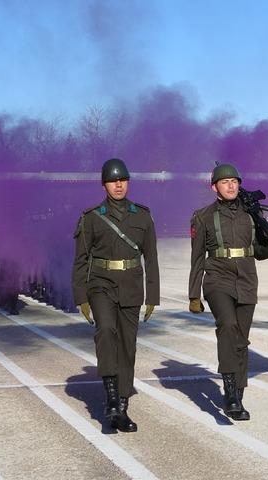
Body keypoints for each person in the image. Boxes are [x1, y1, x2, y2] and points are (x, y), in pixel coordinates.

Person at [188, 163, 268, 421]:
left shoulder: (250, 215)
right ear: (214, 187)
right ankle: (229, 392)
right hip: (217, 278)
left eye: (234, 181)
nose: (230, 186)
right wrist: (193, 294)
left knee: (241, 340)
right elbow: (197, 258)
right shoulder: (203, 216)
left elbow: (258, 251)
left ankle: (238, 394)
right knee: (228, 326)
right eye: (225, 182)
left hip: (246, 280)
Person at [72, 158, 160, 433]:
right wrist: (81, 297)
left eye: (122, 179)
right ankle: (110, 397)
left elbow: (151, 258)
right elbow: (81, 260)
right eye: (113, 180)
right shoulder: (91, 218)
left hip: (132, 286)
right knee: (107, 331)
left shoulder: (143, 216)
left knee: (128, 347)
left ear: (128, 182)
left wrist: (152, 296)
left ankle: (121, 408)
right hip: (101, 284)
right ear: (104, 185)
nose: (118, 184)